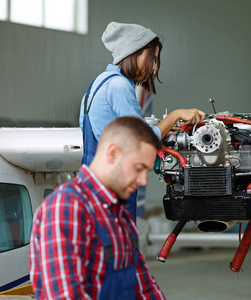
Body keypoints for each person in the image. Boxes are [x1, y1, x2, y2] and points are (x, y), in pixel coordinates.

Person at [79, 21, 205, 219]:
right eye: (152, 59)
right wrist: (175, 115)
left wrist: (162, 130)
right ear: (134, 52)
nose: (154, 67)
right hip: (115, 183)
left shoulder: (98, 84)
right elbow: (141, 140)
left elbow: (112, 131)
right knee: (118, 243)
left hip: (92, 180)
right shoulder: (119, 86)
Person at [30, 116, 166, 299]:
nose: (142, 181)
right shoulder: (66, 208)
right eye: (138, 168)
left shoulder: (120, 214)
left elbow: (144, 288)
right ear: (113, 153)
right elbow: (66, 296)